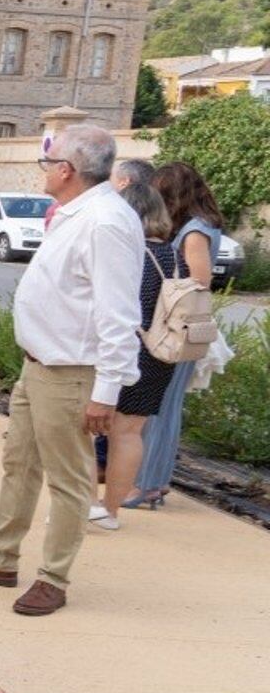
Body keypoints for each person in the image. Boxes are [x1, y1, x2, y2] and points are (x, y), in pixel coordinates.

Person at [0, 125, 143, 616]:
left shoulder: (105, 222)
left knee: (69, 480)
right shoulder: (79, 213)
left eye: (47, 163)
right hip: (40, 366)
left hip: (71, 371)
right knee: (19, 464)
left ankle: (54, 577)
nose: (43, 172)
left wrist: (106, 392)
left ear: (66, 170)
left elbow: (118, 314)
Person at [127, 161, 222, 509]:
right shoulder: (200, 226)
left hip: (176, 330)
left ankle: (148, 484)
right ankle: (154, 481)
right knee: (163, 407)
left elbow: (198, 284)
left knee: (159, 410)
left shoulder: (195, 231)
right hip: (180, 329)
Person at [89, 182, 179, 530]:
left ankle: (88, 504)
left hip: (124, 351)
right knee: (129, 434)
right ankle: (112, 510)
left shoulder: (132, 253)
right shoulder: (175, 256)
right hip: (160, 355)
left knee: (89, 430)